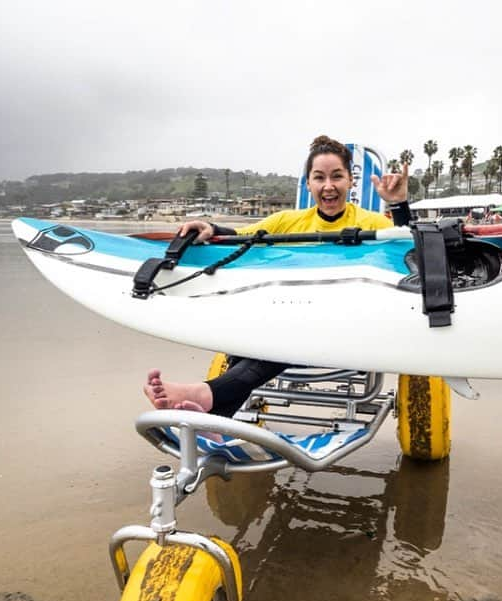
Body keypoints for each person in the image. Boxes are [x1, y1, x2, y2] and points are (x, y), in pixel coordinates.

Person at [144, 135, 410, 416]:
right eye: (319, 177)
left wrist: (398, 205)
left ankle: (206, 394)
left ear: (350, 182)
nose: (328, 186)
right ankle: (213, 420)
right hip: (290, 324)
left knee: (271, 343)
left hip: (346, 332)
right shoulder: (287, 221)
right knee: (258, 339)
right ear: (308, 183)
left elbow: (410, 249)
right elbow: (240, 236)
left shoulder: (371, 223)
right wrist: (208, 226)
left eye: (337, 177)